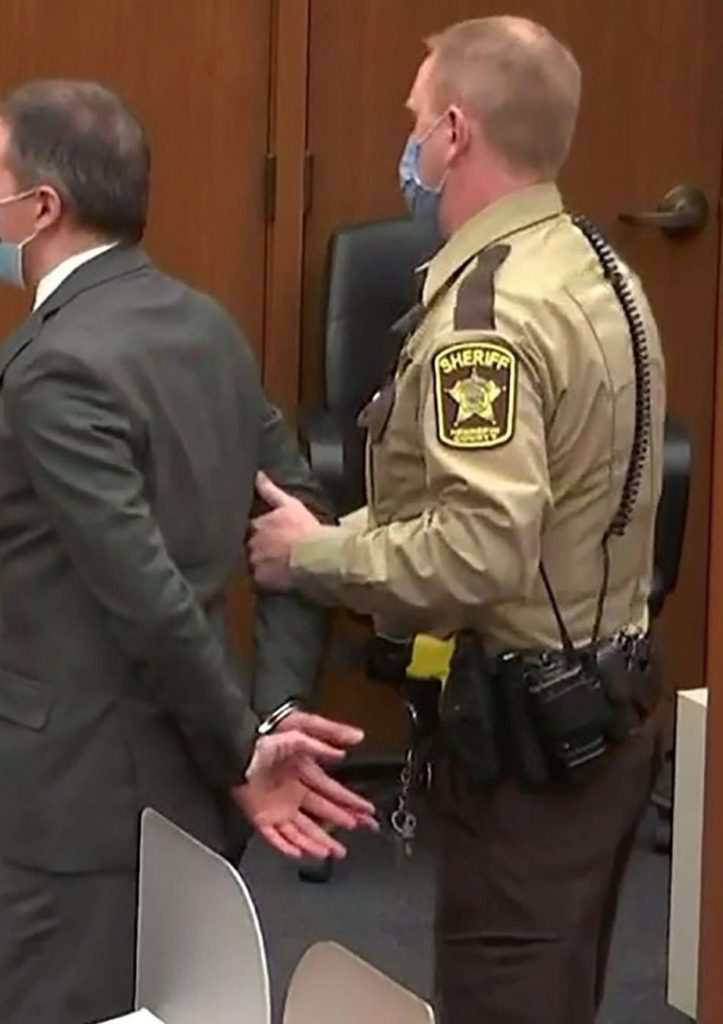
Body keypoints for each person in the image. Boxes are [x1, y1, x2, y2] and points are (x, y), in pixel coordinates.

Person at [249, 16, 666, 1024]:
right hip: (602, 708)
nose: (408, 147)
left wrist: (315, 554)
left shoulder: (487, 320)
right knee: (556, 985)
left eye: (414, 123)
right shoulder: (593, 264)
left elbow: (478, 551)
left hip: (529, 743)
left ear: (454, 131)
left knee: (504, 998)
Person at [0, 79, 376, 1024]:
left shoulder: (51, 369)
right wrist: (270, 708)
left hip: (85, 794)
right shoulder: (205, 327)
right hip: (192, 777)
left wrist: (247, 749)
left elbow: (143, 592)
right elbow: (297, 521)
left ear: (42, 206)